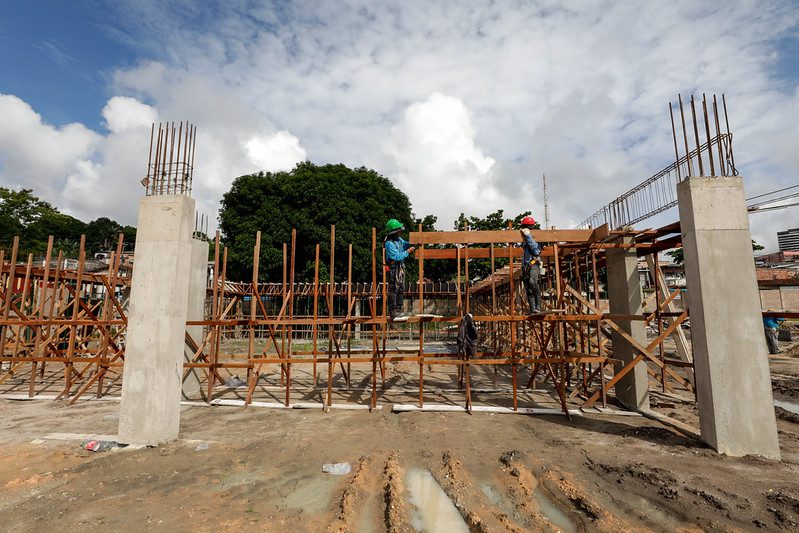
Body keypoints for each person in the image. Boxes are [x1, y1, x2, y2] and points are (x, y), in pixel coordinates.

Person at [384, 219, 415, 320]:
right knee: (394, 289)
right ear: (395, 231)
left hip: (400, 268)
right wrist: (408, 252)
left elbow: (406, 244)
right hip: (393, 269)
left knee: (401, 289)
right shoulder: (389, 243)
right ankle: (393, 311)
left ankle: (399, 309)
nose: (401, 231)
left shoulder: (399, 240)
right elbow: (396, 257)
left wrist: (414, 243)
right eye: (399, 230)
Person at [519, 215, 542, 313]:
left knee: (533, 282)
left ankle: (538, 307)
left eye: (525, 227)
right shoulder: (524, 240)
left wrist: (528, 236)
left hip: (533, 264)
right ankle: (533, 310)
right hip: (526, 266)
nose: (524, 230)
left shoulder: (534, 237)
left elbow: (536, 251)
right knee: (528, 288)